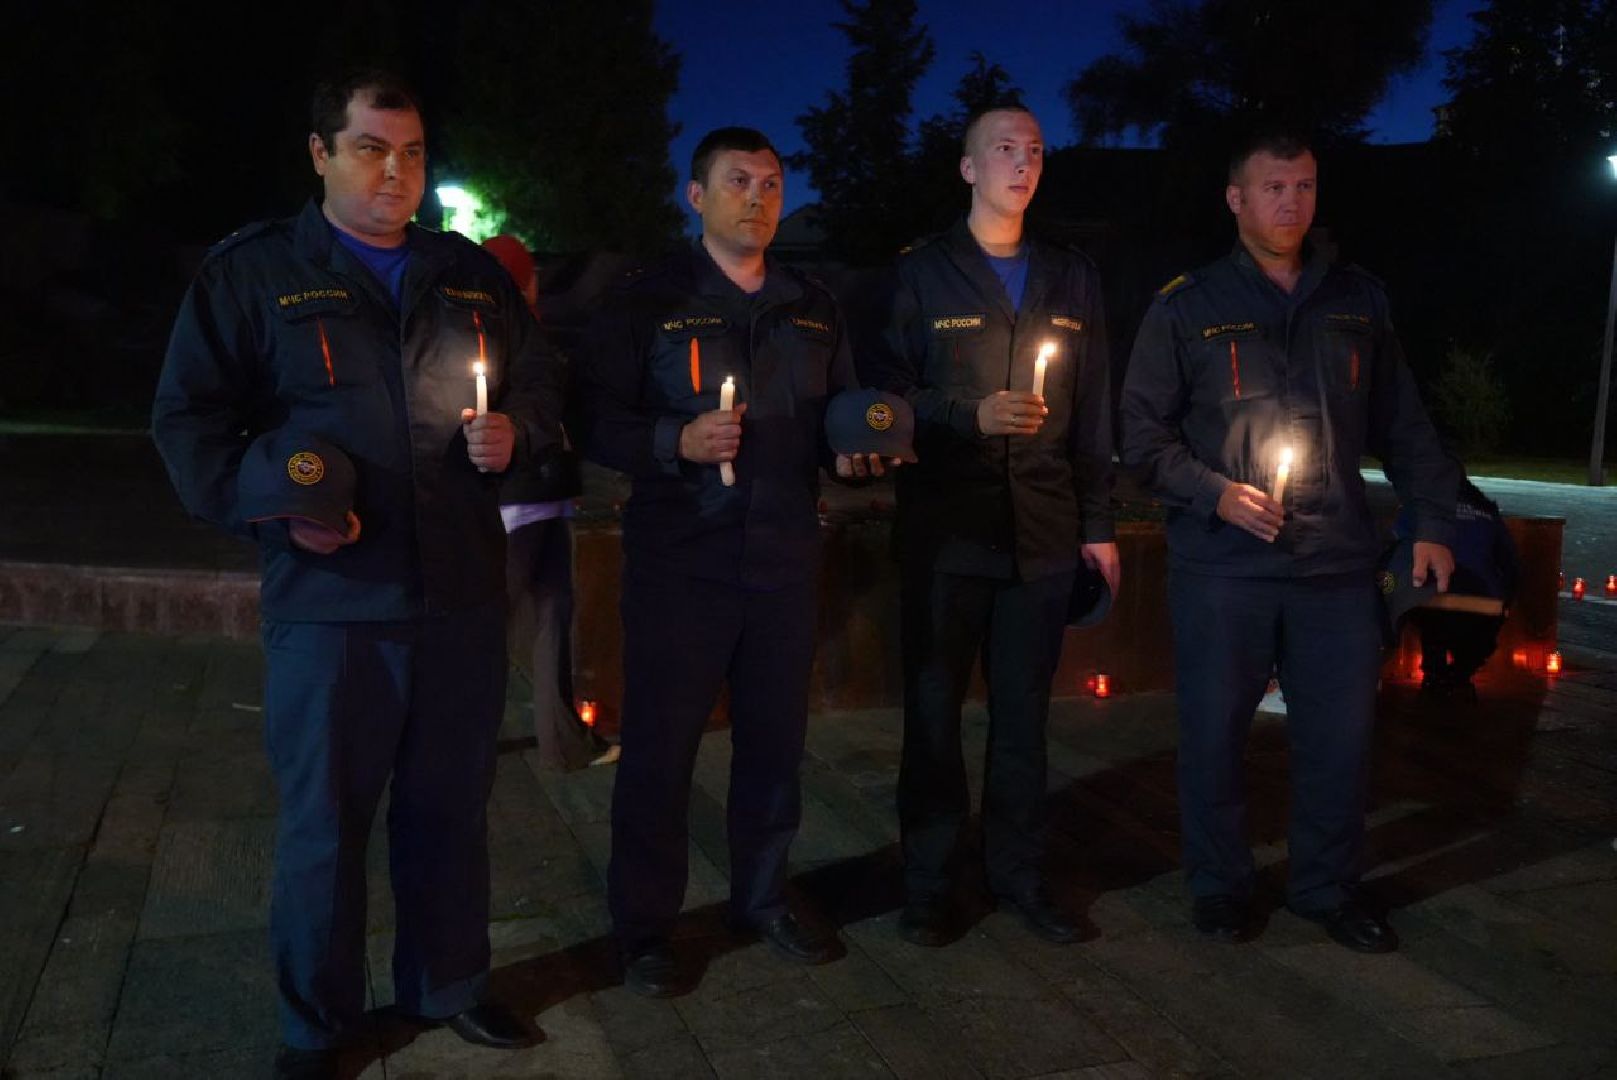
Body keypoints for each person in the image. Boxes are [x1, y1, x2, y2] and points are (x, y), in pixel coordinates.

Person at [151, 69, 559, 1079]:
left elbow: (546, 396)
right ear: (320, 153)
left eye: (412, 153)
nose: (394, 172)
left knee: (449, 810)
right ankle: (317, 1024)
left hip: (460, 595)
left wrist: (521, 434)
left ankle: (448, 984)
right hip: (332, 606)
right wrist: (272, 508)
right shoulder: (255, 273)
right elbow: (188, 422)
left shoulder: (469, 274)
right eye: (371, 149)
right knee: (326, 826)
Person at [1119, 130, 1459, 953]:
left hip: (1334, 564)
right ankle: (1219, 886)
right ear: (1235, 199)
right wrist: (1215, 494)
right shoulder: (1186, 305)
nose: (1290, 202)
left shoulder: (1357, 300)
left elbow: (1404, 424)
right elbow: (1140, 436)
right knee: (1213, 735)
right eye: (1272, 187)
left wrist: (1431, 521)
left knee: (1339, 740)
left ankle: (1324, 887)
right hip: (1222, 566)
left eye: (1303, 186)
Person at [576, 126, 888, 997]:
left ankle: (763, 897)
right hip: (681, 562)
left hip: (783, 560)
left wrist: (856, 456)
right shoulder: (646, 299)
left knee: (774, 747)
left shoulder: (811, 304)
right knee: (660, 754)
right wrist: (673, 439)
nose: (757, 197)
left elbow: (838, 420)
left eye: (771, 183)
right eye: (738, 181)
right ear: (696, 195)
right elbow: (591, 419)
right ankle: (644, 929)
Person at [863, 103, 1119, 947]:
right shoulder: (919, 275)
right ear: (968, 168)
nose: (1021, 163)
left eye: (1034, 150)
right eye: (1003, 149)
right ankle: (929, 884)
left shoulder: (1070, 277)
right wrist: (967, 414)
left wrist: (1097, 525)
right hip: (948, 534)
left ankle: (1018, 877)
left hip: (1041, 536)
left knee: (1023, 722)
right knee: (934, 719)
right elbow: (885, 394)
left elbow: (1092, 411)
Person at [481, 234, 612, 770]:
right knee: (509, 627)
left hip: (541, 500)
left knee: (552, 621)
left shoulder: (503, 332)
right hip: (521, 502)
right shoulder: (517, 336)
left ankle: (564, 741)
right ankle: (465, 744)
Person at [1398, 477, 1519, 699]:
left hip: (1432, 596)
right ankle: (1459, 675)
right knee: (1479, 631)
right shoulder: (1488, 514)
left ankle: (1434, 674)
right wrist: (1506, 600)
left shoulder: (1421, 509)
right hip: (1483, 600)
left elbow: (1400, 545)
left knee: (1429, 616)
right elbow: (1510, 562)